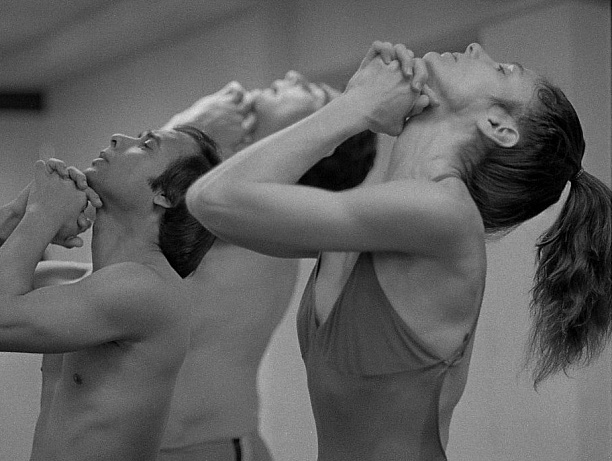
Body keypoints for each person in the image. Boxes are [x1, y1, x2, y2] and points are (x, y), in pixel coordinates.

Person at [187, 41, 612, 460]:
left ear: (499, 126)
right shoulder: (379, 223)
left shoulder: (443, 213)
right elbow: (215, 209)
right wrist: (356, 110)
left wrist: (355, 108)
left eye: (501, 69)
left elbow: (213, 199)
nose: (475, 49)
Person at [0, 125, 221, 461]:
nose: (118, 138)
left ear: (167, 196)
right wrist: (13, 214)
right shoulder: (72, 283)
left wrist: (42, 216)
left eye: (147, 144)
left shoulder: (146, 289)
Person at [156, 75, 377, 460]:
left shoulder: (252, 216)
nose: (293, 76)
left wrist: (186, 130)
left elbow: (122, 205)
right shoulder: (226, 202)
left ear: (320, 144)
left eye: (313, 91)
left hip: (199, 449)